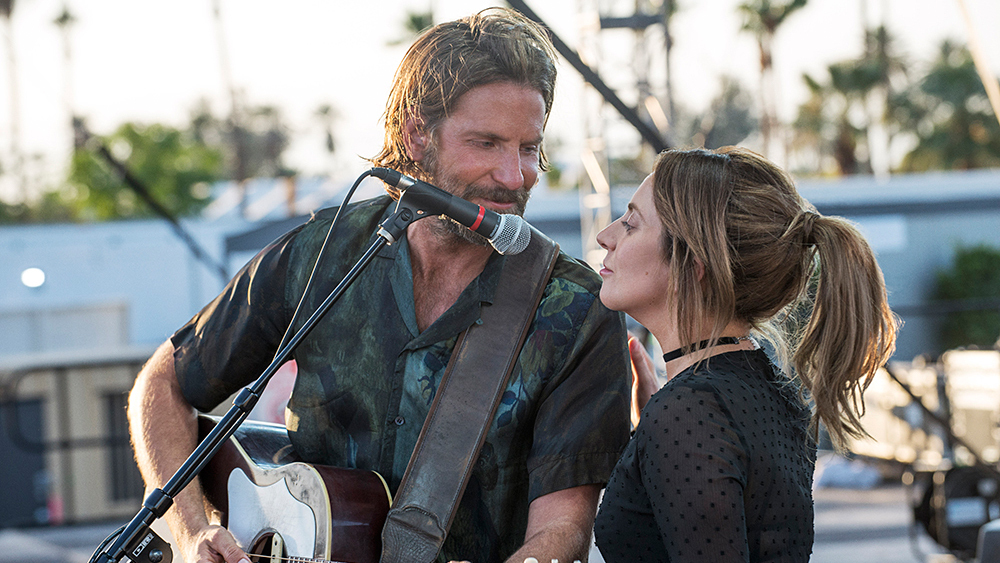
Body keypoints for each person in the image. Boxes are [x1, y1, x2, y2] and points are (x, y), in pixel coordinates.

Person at [127, 8, 631, 563]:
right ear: (418, 135)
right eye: (486, 144)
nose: (515, 177)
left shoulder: (575, 309)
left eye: (529, 149)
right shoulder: (326, 252)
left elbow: (561, 533)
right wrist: (190, 532)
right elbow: (163, 384)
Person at [592, 147, 898, 562]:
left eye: (630, 223)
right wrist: (651, 444)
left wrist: (670, 424)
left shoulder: (692, 410)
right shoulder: (762, 387)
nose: (605, 236)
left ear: (693, 264)